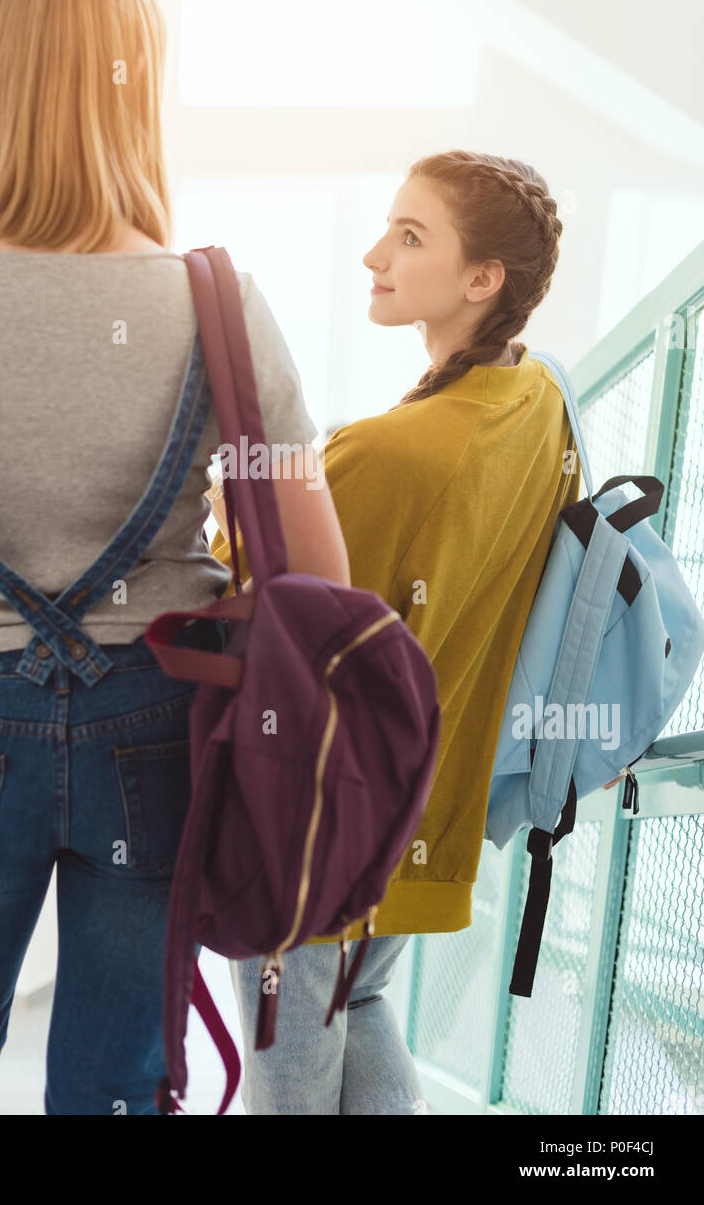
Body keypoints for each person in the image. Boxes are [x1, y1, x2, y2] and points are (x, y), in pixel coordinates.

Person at [0, 0, 350, 1116]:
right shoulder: (218, 304)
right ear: (134, 86)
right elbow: (321, 585)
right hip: (155, 740)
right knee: (117, 1086)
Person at [210, 150, 598, 1114]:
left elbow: (253, 586)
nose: (374, 253)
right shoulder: (538, 404)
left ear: (482, 280)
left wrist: (225, 496)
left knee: (288, 1050)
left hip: (310, 809)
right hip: (422, 804)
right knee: (365, 999)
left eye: (411, 236)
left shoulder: (385, 451)